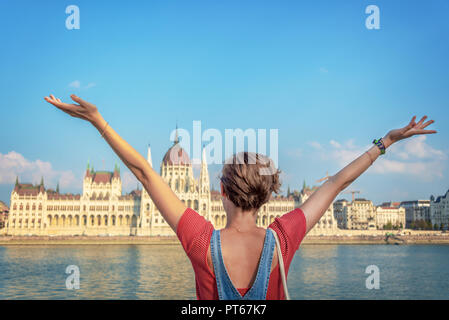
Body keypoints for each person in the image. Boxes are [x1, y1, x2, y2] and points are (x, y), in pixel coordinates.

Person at [44, 94, 437, 299]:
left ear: (220, 192)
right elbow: (335, 184)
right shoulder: (282, 239)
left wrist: (100, 122)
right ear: (266, 197)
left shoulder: (200, 240)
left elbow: (145, 173)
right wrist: (384, 142)